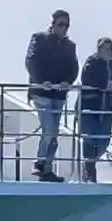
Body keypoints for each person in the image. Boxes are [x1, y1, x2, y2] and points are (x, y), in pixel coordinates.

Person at [25, 9, 78, 182]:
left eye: (66, 25)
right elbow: (30, 61)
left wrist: (67, 83)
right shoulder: (39, 38)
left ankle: (46, 168)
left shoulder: (69, 46)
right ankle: (40, 163)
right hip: (41, 92)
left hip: (59, 94)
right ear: (53, 24)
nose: (63, 28)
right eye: (60, 24)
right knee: (50, 129)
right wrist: (41, 81)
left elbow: (73, 68)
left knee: (53, 132)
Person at [76, 37, 112, 182]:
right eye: (104, 49)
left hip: (105, 107)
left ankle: (89, 166)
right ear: (98, 49)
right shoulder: (92, 61)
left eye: (110, 48)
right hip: (88, 106)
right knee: (89, 139)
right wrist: (104, 84)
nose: (107, 52)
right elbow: (86, 78)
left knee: (103, 141)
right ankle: (89, 173)